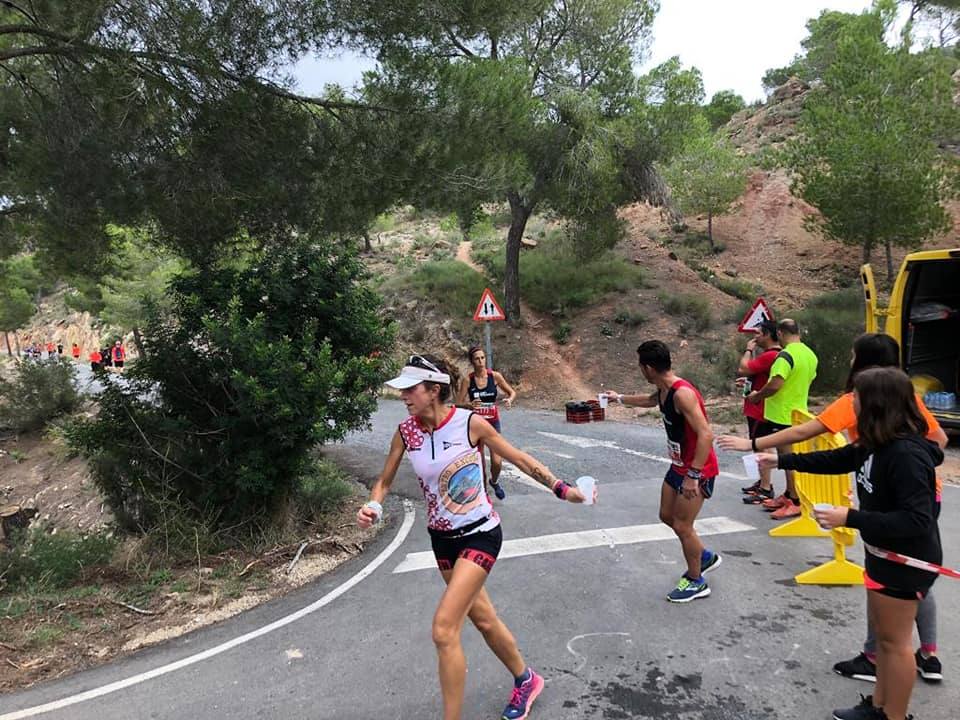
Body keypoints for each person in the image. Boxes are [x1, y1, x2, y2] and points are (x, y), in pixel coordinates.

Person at [358, 354, 593, 720]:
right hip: (442, 540)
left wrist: (562, 489)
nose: (403, 396)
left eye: (410, 389)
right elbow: (385, 480)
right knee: (483, 619)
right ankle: (526, 679)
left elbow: (518, 458)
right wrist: (374, 505)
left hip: (480, 534)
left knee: (443, 629)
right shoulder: (407, 432)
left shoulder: (469, 424)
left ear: (433, 390)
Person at [719, 333, 946, 685]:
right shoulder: (901, 404)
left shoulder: (867, 405)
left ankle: (877, 660)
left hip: (900, 501)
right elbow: (934, 443)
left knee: (890, 590)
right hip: (923, 494)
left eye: (853, 355)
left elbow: (805, 431)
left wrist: (751, 443)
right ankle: (925, 656)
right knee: (911, 583)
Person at [757, 367, 942, 720]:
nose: (850, 401)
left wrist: (850, 518)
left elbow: (917, 520)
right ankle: (879, 707)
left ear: (875, 403)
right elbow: (836, 459)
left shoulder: (905, 455)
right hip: (881, 555)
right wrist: (782, 459)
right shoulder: (876, 443)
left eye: (856, 396)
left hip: (905, 562)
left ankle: (894, 715)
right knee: (887, 642)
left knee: (896, 645)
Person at [602, 340, 721, 602]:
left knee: (682, 525)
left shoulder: (682, 393)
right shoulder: (664, 390)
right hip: (678, 465)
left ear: (649, 368)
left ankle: (696, 580)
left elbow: (706, 435)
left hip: (697, 470)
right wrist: (618, 398)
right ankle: (703, 556)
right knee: (666, 515)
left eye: (641, 367)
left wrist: (694, 476)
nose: (640, 371)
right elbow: (648, 400)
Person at [744, 319, 817, 520]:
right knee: (787, 459)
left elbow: (775, 384)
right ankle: (788, 495)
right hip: (798, 412)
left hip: (781, 414)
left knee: (788, 459)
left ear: (781, 333)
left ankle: (794, 500)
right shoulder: (809, 354)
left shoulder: (785, 356)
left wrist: (757, 396)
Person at [457, 346, 518, 501]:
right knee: (480, 464)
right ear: (472, 361)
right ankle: (484, 495)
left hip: (492, 423)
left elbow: (512, 392)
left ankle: (494, 481)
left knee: (497, 461)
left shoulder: (495, 376)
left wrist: (509, 400)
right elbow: (457, 403)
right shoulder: (468, 380)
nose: (481, 361)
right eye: (477, 359)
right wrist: (470, 405)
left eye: (483, 358)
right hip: (476, 425)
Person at [736, 319, 782, 505]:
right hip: (757, 407)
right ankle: (763, 482)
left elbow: (743, 369)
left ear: (767, 335)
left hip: (760, 409)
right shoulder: (770, 356)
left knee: (760, 445)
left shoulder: (770, 356)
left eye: (758, 333)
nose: (755, 337)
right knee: (758, 445)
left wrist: (748, 349)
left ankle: (765, 488)